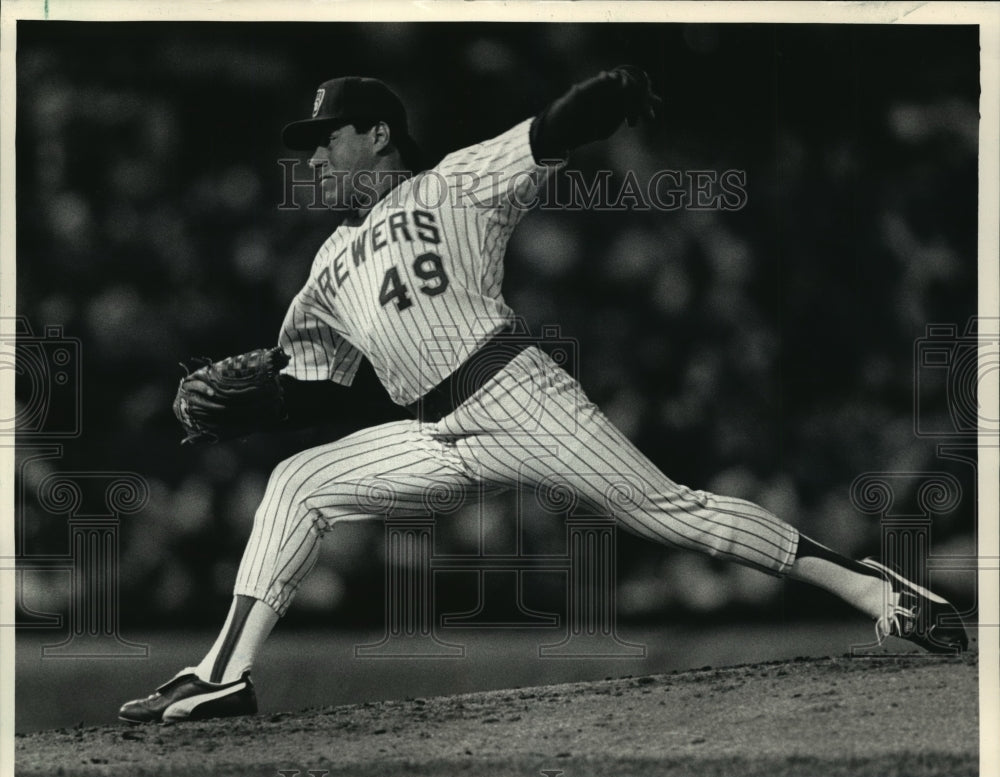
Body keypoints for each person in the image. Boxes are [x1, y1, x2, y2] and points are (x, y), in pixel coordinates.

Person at [119, 68, 968, 724]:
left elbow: (543, 136)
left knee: (675, 511)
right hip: (432, 430)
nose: (312, 157)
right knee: (297, 482)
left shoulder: (450, 182)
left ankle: (881, 593)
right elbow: (308, 386)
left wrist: (602, 99)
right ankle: (222, 675)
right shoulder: (322, 272)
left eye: (326, 138)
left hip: (516, 395)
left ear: (378, 134)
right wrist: (246, 407)